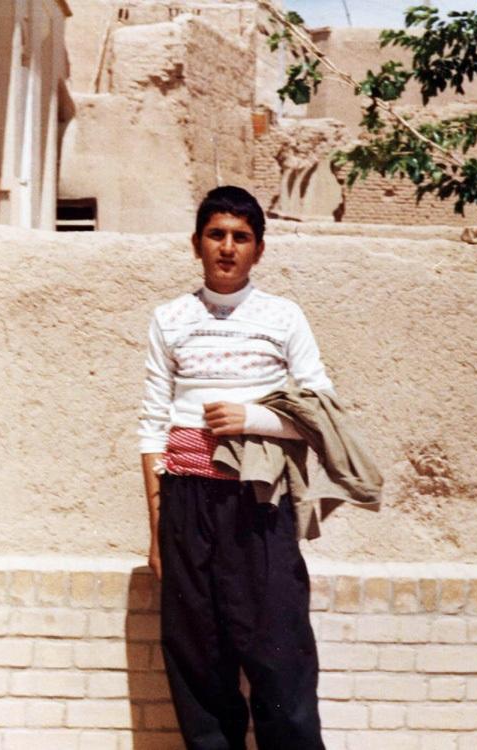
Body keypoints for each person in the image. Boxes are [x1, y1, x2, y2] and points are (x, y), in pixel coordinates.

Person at [138, 185, 331, 750]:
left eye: (241, 237)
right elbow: (152, 424)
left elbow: (322, 410)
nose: (227, 247)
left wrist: (254, 418)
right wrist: (157, 530)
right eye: (216, 235)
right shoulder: (170, 318)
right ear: (196, 243)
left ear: (259, 249)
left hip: (259, 502)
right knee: (197, 654)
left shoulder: (283, 316)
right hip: (185, 501)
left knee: (280, 652)